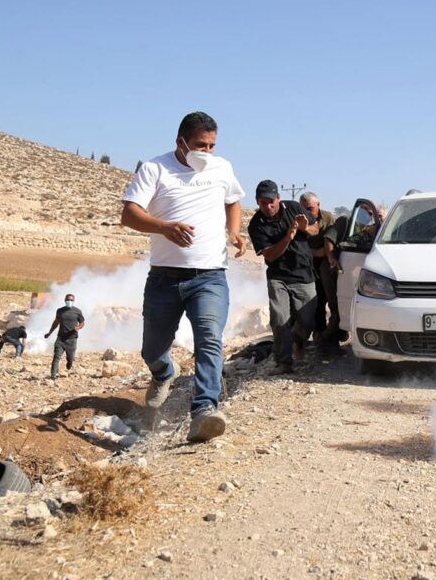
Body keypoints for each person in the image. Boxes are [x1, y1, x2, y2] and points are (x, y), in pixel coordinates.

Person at [120, 111, 246, 443]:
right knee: (152, 348)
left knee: (209, 339)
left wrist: (233, 232)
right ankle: (163, 373)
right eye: (199, 145)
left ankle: (204, 410)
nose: (207, 152)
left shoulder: (222, 168)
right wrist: (164, 227)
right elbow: (129, 214)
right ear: (181, 143)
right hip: (164, 279)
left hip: (210, 276)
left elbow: (233, 201)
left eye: (211, 145)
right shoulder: (155, 169)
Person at [248, 180, 319, 374]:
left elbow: (316, 229)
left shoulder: (294, 208)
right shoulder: (256, 224)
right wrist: (287, 237)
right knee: (280, 320)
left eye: (271, 201)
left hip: (303, 273)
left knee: (307, 320)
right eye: (263, 202)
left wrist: (305, 229)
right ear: (257, 202)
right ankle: (284, 362)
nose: (268, 206)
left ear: (278, 198)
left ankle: (298, 340)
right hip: (278, 276)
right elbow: (269, 254)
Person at [298, 191, 343, 355]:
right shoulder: (297, 220)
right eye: (304, 209)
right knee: (315, 304)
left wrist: (320, 253)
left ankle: (332, 337)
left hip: (326, 266)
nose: (307, 213)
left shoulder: (328, 219)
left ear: (318, 206)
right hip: (307, 267)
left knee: (333, 302)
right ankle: (319, 337)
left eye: (310, 208)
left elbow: (332, 243)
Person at [44, 293, 85, 380]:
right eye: (67, 300)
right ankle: (53, 375)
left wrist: (78, 327)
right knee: (56, 357)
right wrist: (50, 332)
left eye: (71, 300)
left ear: (74, 301)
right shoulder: (60, 311)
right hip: (60, 338)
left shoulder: (77, 311)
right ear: (64, 300)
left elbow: (82, 323)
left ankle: (69, 363)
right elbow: (56, 322)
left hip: (72, 339)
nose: (69, 301)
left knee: (70, 358)